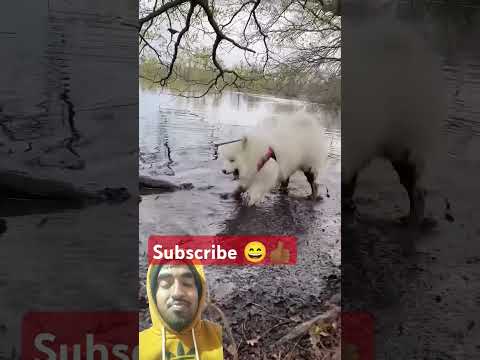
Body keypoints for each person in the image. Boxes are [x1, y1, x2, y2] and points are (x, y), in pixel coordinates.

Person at [140, 262, 223, 359]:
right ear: (153, 294)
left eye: (187, 283)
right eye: (165, 283)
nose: (177, 293)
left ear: (200, 293)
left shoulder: (221, 337)